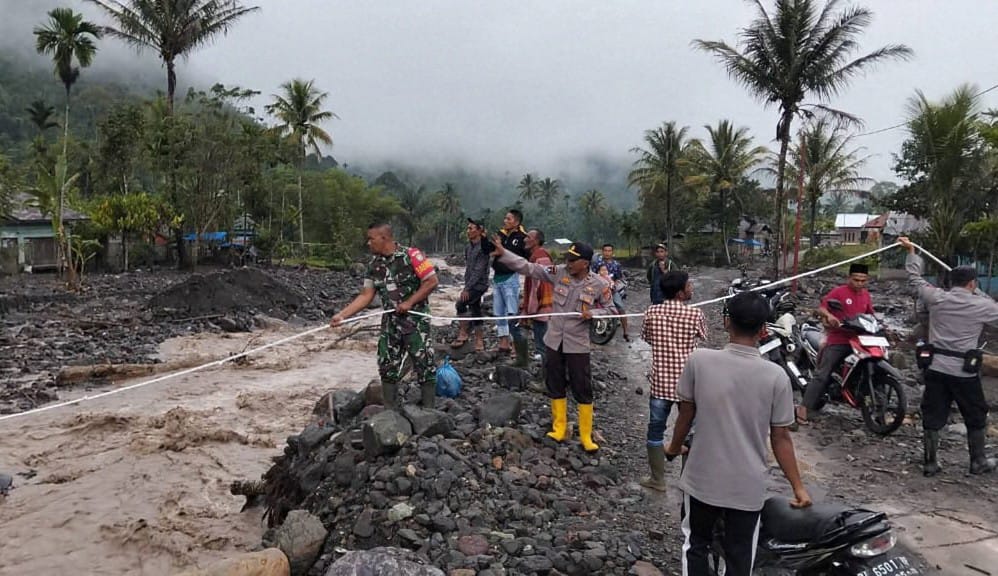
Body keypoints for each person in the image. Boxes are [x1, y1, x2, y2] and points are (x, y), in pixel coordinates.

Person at [666, 291, 811, 576]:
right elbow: (780, 438)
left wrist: (673, 448)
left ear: (725, 322)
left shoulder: (699, 360)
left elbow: (686, 414)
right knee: (740, 553)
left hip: (702, 479)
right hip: (747, 486)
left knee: (696, 543)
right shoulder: (776, 377)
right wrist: (798, 487)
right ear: (764, 330)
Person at [492, 239, 613, 452]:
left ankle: (586, 435)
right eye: (567, 258)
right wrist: (503, 254)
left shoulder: (599, 284)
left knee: (583, 387)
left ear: (585, 263)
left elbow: (612, 310)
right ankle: (559, 427)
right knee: (554, 382)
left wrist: (593, 313)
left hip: (577, 344)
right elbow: (530, 268)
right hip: (554, 340)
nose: (568, 262)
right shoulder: (559, 272)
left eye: (573, 260)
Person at [900, 237, 998, 475]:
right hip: (964, 371)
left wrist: (912, 253)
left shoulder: (937, 298)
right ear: (972, 283)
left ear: (950, 282)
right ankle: (978, 462)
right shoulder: (984, 306)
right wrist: (982, 297)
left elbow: (915, 281)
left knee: (932, 415)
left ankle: (930, 463)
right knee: (975, 414)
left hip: (936, 368)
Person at [330, 224, 439, 409]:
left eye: (371, 239)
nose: (368, 243)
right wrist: (341, 315)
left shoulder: (412, 256)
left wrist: (409, 303)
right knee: (387, 364)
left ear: (384, 238)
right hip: (390, 324)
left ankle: (429, 410)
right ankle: (391, 410)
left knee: (424, 364)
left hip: (416, 322)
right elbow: (366, 295)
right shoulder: (374, 265)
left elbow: (431, 281)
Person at [639, 270, 707, 491]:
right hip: (689, 385)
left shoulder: (651, 312)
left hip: (661, 383)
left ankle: (657, 480)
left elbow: (646, 338)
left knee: (655, 431)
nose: (692, 288)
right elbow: (703, 337)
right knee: (693, 431)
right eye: (689, 286)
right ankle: (688, 482)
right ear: (680, 293)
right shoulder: (695, 315)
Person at [796, 262, 874, 423]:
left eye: (862, 280)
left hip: (859, 340)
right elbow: (822, 308)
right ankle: (803, 409)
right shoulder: (839, 292)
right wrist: (830, 316)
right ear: (849, 278)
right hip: (839, 339)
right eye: (856, 279)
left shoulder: (866, 295)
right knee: (822, 374)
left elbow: (871, 315)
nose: (859, 283)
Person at [492, 209, 530, 359]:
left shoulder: (522, 238)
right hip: (497, 277)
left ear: (516, 222)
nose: (505, 221)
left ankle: (516, 345)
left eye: (508, 219)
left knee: (512, 312)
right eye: (505, 219)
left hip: (511, 277)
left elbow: (525, 259)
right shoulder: (500, 235)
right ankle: (503, 342)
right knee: (498, 312)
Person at [450, 218, 491, 352]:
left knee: (460, 304)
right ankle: (478, 339)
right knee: (475, 308)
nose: (468, 231)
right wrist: (466, 284)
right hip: (470, 282)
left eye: (471, 228)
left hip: (480, 284)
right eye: (468, 228)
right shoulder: (468, 247)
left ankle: (464, 333)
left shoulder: (484, 247)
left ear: (480, 231)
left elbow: (479, 270)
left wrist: (467, 289)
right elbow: (469, 267)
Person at [521, 228, 553, 365]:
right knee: (539, 328)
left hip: (542, 301)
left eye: (528, 237)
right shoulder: (536, 255)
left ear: (537, 241)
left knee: (541, 328)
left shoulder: (540, 257)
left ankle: (543, 358)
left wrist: (530, 307)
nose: (525, 239)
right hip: (541, 301)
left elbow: (540, 283)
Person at [592, 244, 629, 340]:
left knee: (621, 307)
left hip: (612, 290)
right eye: (605, 250)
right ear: (602, 251)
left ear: (612, 252)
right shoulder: (596, 264)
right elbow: (591, 276)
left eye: (609, 251)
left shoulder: (616, 265)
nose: (607, 253)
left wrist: (612, 285)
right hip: (598, 290)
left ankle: (626, 332)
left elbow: (619, 278)